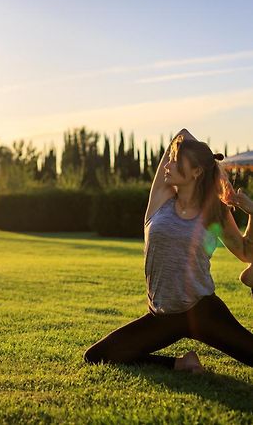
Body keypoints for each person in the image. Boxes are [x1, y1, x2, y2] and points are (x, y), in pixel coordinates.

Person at [83, 128, 253, 372]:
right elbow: (181, 133)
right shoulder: (161, 198)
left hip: (202, 310)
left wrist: (252, 213)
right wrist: (214, 169)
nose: (168, 165)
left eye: (175, 161)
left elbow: (246, 252)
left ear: (196, 172)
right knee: (98, 355)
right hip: (163, 316)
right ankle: (182, 364)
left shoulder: (214, 211)